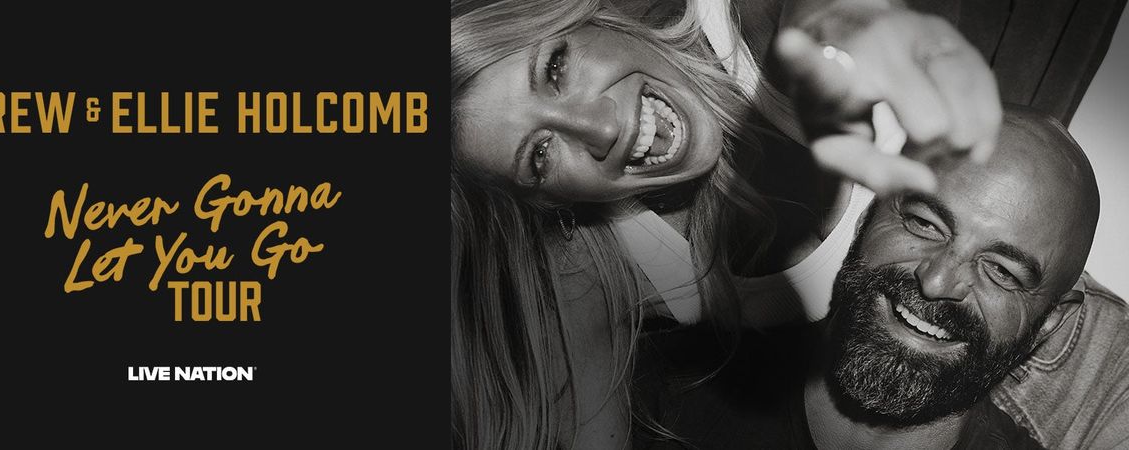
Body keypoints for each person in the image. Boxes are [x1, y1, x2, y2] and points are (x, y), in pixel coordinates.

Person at [450, 0, 1002, 448]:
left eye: (555, 69)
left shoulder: (743, 24)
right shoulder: (591, 268)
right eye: (539, 155)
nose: (600, 129)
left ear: (588, 16)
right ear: (545, 202)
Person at [641, 108, 1117, 448]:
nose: (936, 281)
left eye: (1001, 271)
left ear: (1049, 323)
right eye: (925, 223)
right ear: (869, 216)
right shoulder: (662, 384)